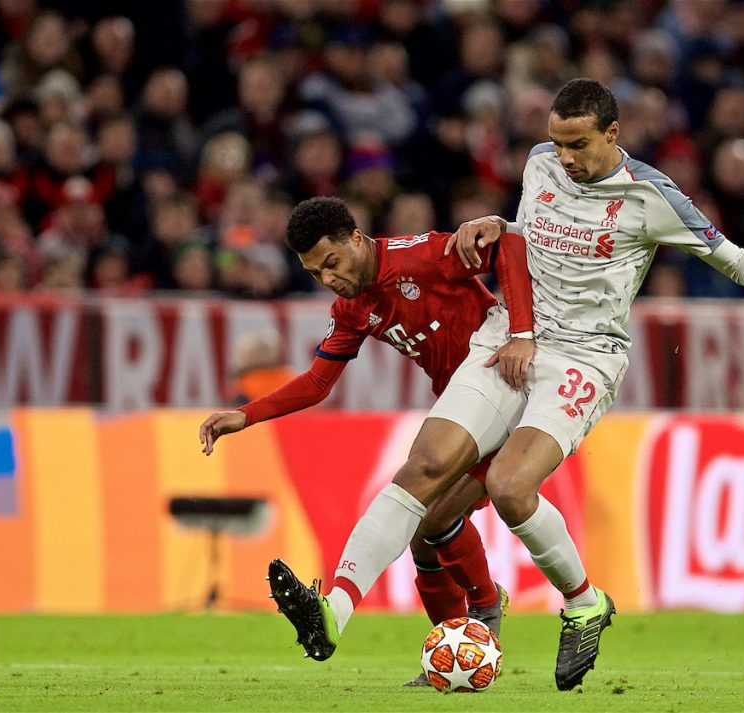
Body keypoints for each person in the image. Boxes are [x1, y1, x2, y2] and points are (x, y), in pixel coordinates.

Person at [266, 79, 744, 691]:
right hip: (509, 336)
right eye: (556, 142)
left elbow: (730, 257)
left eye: (577, 144)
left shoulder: (651, 197)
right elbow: (523, 238)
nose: (565, 157)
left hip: (585, 355)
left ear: (613, 135)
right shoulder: (538, 165)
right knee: (422, 468)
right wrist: (496, 225)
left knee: (509, 486)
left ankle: (583, 603)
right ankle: (332, 614)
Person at [197, 196, 535, 686]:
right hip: (462, 415)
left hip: (509, 397)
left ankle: (485, 608)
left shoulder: (423, 256)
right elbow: (316, 382)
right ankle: (454, 654)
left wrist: (522, 332)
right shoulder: (352, 308)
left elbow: (508, 245)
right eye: (316, 274)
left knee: (435, 516)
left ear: (355, 239)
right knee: (423, 537)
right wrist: (244, 415)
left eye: (331, 263)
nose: (329, 279)